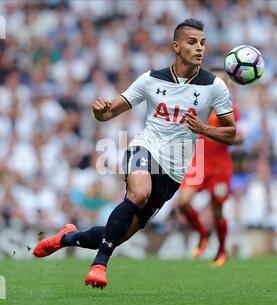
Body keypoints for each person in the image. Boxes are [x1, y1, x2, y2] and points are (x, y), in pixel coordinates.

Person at [33, 18, 237, 289]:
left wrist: (203, 128)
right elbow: (109, 113)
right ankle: (99, 266)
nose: (199, 48)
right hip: (145, 147)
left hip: (174, 171)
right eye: (192, 42)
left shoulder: (214, 86)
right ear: (176, 46)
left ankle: (66, 238)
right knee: (138, 194)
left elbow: (231, 133)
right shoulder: (151, 79)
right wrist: (99, 110)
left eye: (202, 43)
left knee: (116, 234)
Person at [176, 68, 243, 266]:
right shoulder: (198, 105)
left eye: (222, 81)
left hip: (220, 168)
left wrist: (239, 138)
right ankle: (203, 233)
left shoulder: (228, 108)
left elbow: (235, 134)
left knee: (217, 211)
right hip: (199, 163)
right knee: (183, 203)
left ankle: (221, 250)